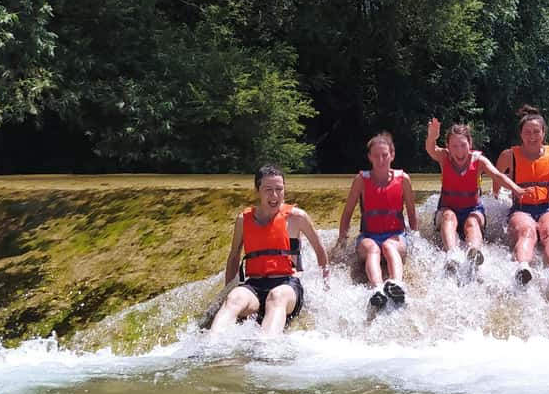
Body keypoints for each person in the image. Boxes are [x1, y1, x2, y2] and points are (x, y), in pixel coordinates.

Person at [210, 164, 330, 335]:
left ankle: (267, 350)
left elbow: (319, 249)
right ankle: (210, 347)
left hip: (287, 285)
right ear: (257, 190)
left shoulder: (297, 217)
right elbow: (234, 256)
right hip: (254, 285)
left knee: (277, 296)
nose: (274, 195)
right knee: (234, 299)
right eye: (268, 190)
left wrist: (326, 285)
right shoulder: (243, 220)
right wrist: (227, 289)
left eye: (279, 189)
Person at [423, 118, 526, 272]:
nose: (459, 151)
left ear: (470, 144)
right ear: (448, 147)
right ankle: (452, 255)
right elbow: (431, 149)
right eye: (454, 146)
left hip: (472, 210)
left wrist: (516, 189)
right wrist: (432, 137)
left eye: (463, 145)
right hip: (447, 209)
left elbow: (497, 176)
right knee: (449, 216)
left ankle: (475, 252)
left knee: (471, 222)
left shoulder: (479, 161)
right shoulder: (444, 157)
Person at [493, 105, 549, 290]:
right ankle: (522, 268)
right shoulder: (508, 156)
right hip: (521, 209)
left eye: (536, 132)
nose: (532, 136)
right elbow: (497, 184)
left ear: (544, 133)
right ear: (520, 134)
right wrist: (499, 200)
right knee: (527, 232)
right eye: (527, 132)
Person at [338, 132, 419, 309]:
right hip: (369, 236)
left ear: (392, 155)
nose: (381, 160)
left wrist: (415, 240)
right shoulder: (361, 180)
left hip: (395, 236)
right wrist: (342, 240)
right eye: (376, 156)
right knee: (373, 249)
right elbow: (347, 213)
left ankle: (397, 285)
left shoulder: (403, 179)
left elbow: (412, 214)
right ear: (369, 157)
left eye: (384, 155)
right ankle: (377, 289)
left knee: (389, 247)